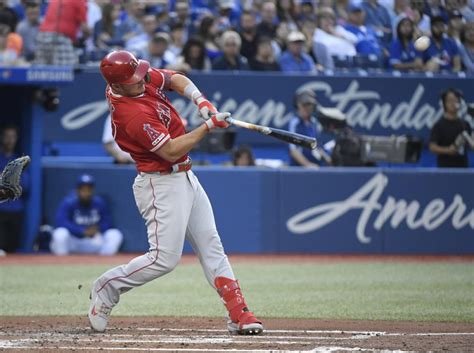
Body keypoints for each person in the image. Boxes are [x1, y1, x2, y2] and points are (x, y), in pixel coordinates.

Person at [88, 50, 264, 335]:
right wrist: (207, 126)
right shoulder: (130, 114)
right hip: (160, 183)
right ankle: (107, 287)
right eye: (134, 80)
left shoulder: (135, 80)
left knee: (211, 245)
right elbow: (170, 151)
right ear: (118, 86)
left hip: (185, 176)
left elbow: (175, 78)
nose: (143, 80)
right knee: (163, 260)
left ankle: (239, 313)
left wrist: (201, 101)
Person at [50, 173, 123, 255]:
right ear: (77, 190)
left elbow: (108, 222)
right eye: (83, 189)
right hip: (74, 241)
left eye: (89, 189)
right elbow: (61, 222)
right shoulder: (68, 202)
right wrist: (81, 231)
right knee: (60, 233)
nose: (86, 193)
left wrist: (97, 228)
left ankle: (104, 262)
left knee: (115, 234)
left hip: (93, 240)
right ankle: (61, 262)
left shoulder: (99, 203)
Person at [0, 126, 29, 254]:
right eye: (7, 136)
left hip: (15, 208)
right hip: (1, 211)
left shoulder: (17, 161)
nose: (10, 140)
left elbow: (26, 184)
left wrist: (9, 186)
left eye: (13, 137)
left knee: (12, 252)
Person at [35, 0, 90, 65]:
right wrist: (88, 34)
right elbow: (85, 28)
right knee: (67, 70)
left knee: (43, 71)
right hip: (60, 37)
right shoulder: (79, 1)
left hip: (42, 36)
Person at [429, 88, 472, 168]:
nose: (453, 103)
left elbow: (471, 144)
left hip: (463, 167)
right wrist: (448, 150)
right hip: (445, 167)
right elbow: (432, 147)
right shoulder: (439, 125)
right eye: (450, 100)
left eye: (456, 100)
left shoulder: (465, 124)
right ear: (444, 103)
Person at [288, 89, 331, 167]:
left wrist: (328, 159)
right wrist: (307, 165)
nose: (307, 108)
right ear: (298, 105)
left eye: (309, 104)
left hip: (316, 166)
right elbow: (293, 150)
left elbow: (317, 147)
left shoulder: (315, 123)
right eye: (304, 104)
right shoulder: (294, 123)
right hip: (298, 169)